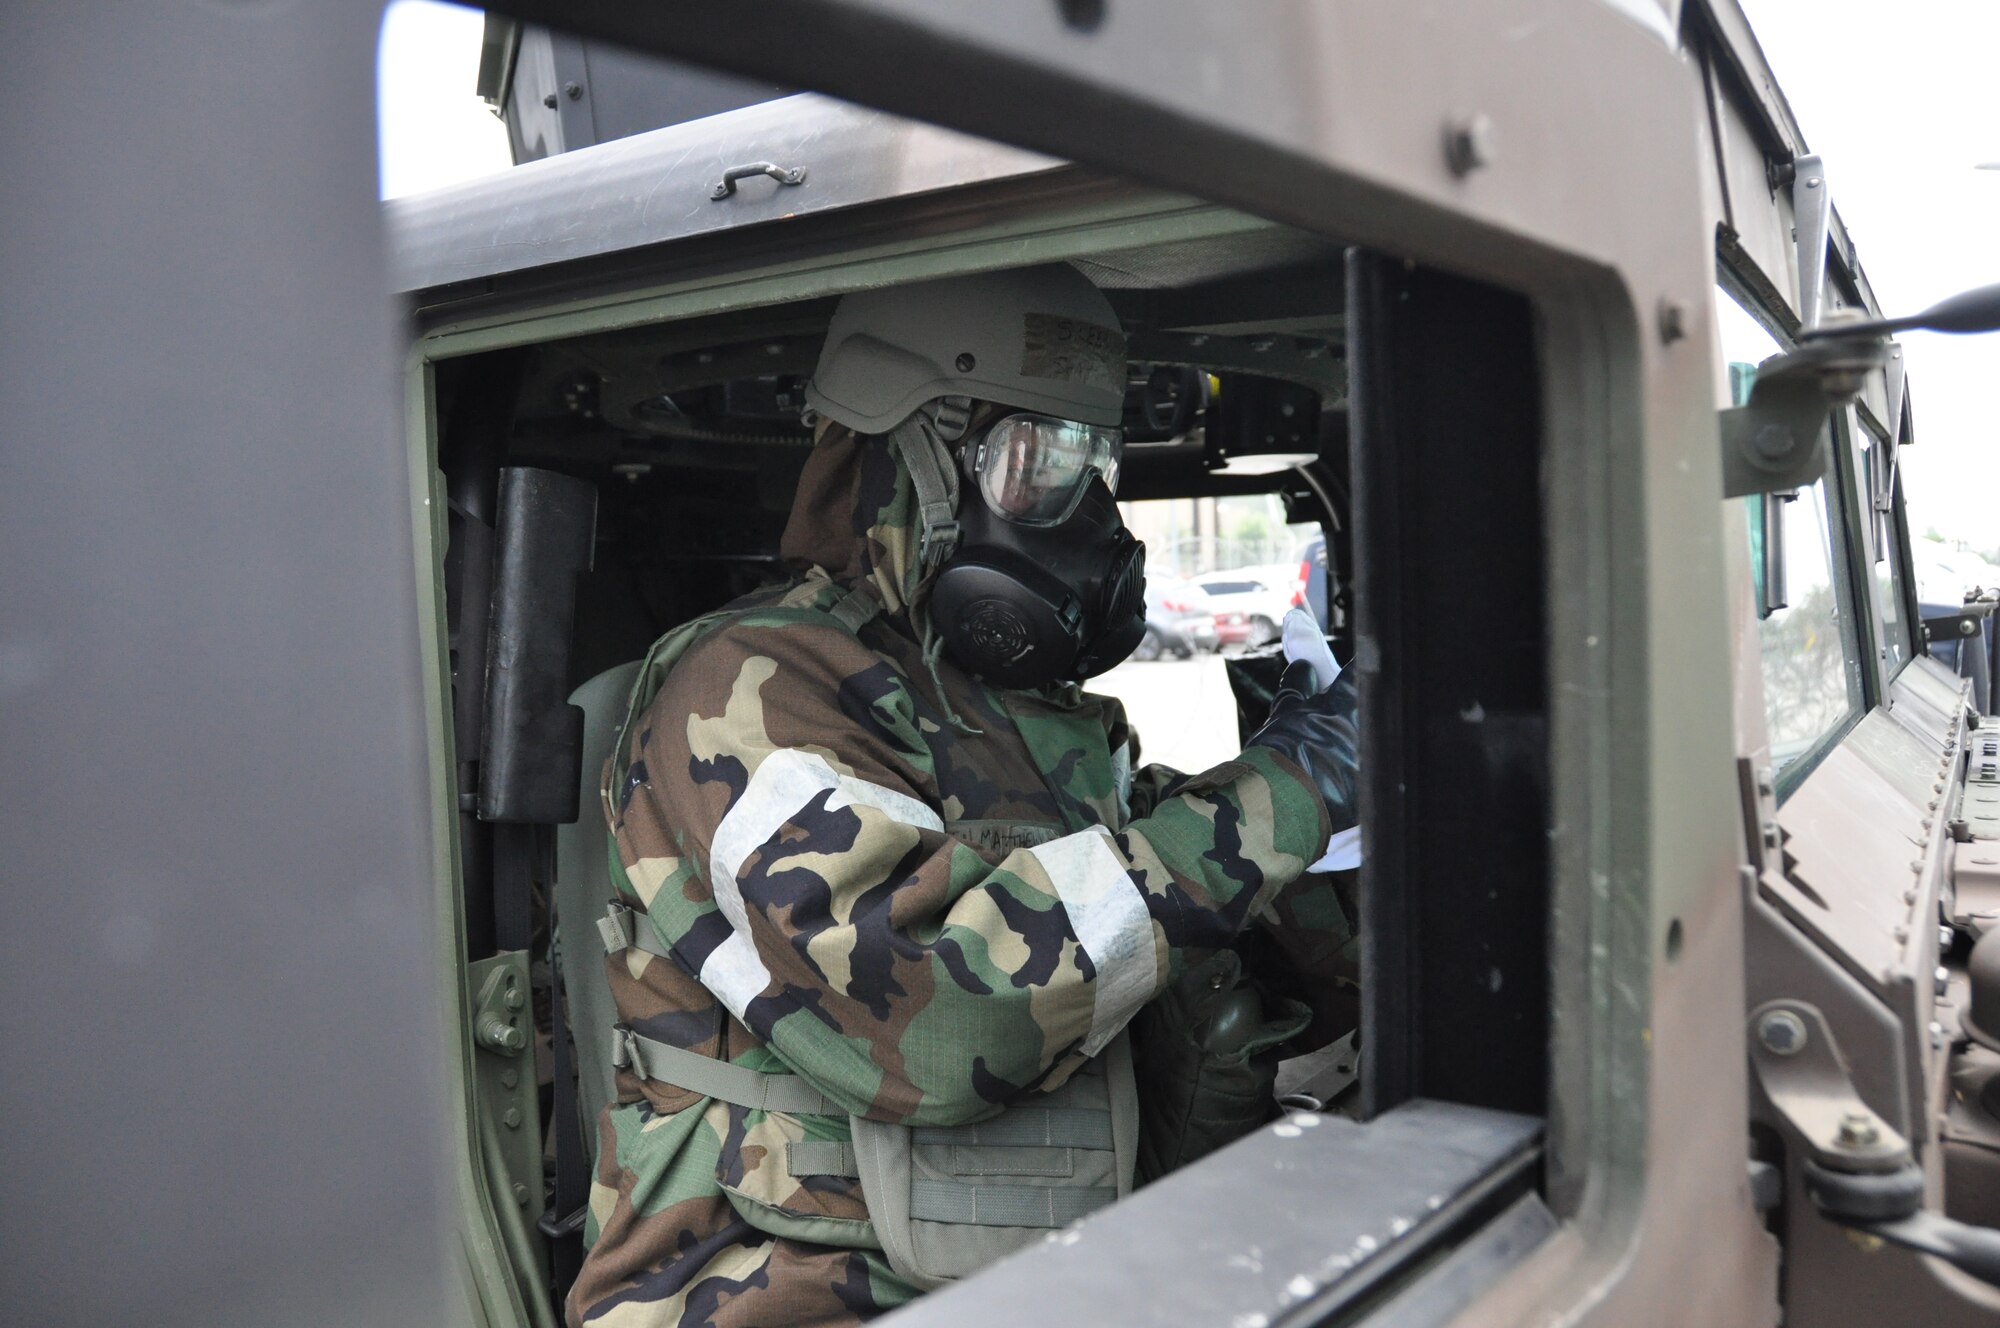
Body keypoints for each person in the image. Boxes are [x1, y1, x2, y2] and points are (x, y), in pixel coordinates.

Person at [567, 264, 1360, 1328]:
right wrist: (1283, 792)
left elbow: (1160, 910)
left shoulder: (997, 706)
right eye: (1038, 465)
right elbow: (944, 1009)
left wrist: (1334, 806)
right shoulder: (750, 689)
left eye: (1091, 464)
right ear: (908, 459)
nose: (1083, 521)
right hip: (779, 1295)